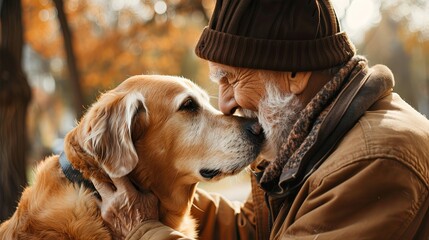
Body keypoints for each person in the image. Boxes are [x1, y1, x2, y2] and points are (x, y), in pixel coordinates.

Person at [93, 0, 429, 239]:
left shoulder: (374, 159)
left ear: (293, 73)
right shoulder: (307, 143)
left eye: (232, 80)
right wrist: (157, 191)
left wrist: (144, 231)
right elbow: (253, 232)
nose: (224, 105)